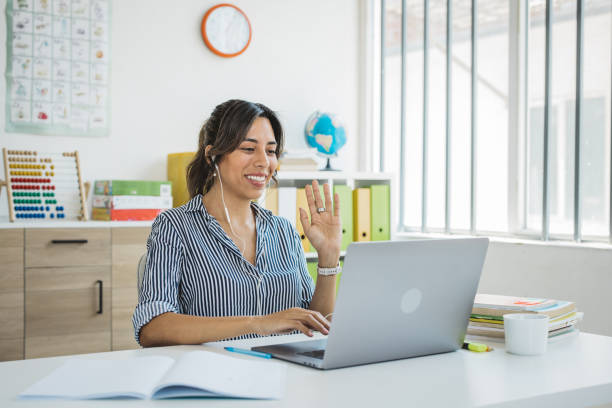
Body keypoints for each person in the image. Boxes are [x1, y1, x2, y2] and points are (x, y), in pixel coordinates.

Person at [133, 99, 342, 347]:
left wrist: (328, 258)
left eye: (271, 151)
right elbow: (153, 328)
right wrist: (258, 323)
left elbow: (316, 326)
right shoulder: (175, 227)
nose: (264, 162)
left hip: (284, 378)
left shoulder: (283, 231)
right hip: (212, 377)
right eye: (248, 148)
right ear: (213, 155)